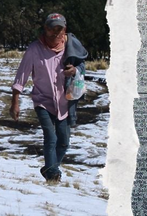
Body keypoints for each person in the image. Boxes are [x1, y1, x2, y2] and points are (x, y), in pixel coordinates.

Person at [9, 13, 88, 183]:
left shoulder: (71, 46)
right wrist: (15, 101)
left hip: (65, 101)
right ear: (45, 28)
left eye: (58, 29)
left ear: (64, 30)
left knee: (64, 142)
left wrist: (75, 71)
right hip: (42, 100)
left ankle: (50, 169)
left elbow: (82, 65)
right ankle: (52, 176)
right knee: (51, 137)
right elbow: (21, 75)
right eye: (51, 29)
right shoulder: (34, 49)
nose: (54, 33)